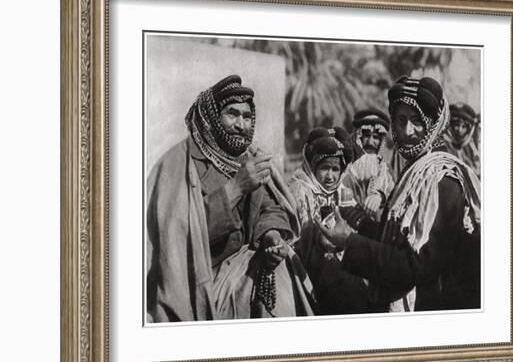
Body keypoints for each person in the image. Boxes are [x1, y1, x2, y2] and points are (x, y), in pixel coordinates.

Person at [147, 74, 314, 322]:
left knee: (286, 264)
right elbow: (177, 241)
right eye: (232, 114)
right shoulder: (178, 164)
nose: (241, 125)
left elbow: (270, 208)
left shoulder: (247, 159)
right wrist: (235, 188)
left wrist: (271, 237)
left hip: (240, 275)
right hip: (196, 285)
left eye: (247, 117)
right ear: (212, 118)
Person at [317, 76, 481, 312]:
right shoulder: (419, 167)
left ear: (434, 123)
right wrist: (357, 219)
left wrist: (349, 244)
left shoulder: (440, 178)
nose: (407, 131)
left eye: (417, 121)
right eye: (401, 120)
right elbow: (398, 237)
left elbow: (415, 265)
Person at [288, 127, 387, 315]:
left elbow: (355, 216)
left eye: (335, 169)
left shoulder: (340, 190)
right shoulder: (300, 191)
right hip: (305, 264)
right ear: (312, 166)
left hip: (336, 261)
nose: (330, 176)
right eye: (325, 168)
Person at [348, 109, 395, 219]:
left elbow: (393, 196)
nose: (370, 142)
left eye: (375, 137)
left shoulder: (386, 171)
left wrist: (381, 197)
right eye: (366, 136)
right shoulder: (346, 168)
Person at [444, 102, 481, 177]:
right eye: (456, 125)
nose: (459, 130)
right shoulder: (443, 145)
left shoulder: (470, 147)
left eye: (464, 126)